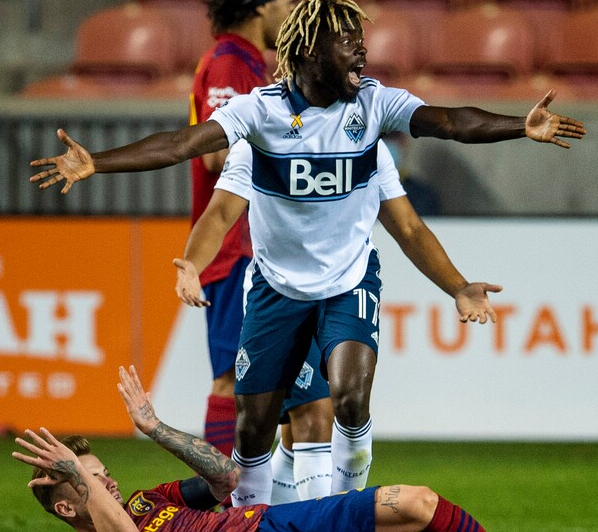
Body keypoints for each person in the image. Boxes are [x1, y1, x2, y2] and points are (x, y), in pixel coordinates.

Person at [29, 0, 587, 506]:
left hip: (348, 282)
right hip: (276, 289)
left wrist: (518, 128)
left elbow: (441, 132)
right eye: (348, 40)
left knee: (349, 397)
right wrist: (99, 164)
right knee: (253, 430)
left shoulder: (370, 109)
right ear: (310, 50)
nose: (362, 49)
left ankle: (346, 516)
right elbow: (187, 154)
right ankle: (248, 525)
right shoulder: (260, 119)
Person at [11, 365, 592, 532]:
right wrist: (88, 489)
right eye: (91, 479)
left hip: (269, 523)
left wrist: (155, 428)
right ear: (68, 503)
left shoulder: (146, 501)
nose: (108, 479)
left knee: (418, 501)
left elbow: (225, 478)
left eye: (102, 470)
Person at [174, 136, 500, 507]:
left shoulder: (365, 142)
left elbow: (408, 226)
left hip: (345, 287)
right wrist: (192, 264)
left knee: (328, 410)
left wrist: (457, 286)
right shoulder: (264, 133)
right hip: (281, 292)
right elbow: (216, 207)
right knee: (273, 423)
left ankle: (332, 524)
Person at [189, 0, 334, 503]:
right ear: (261, 6)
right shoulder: (229, 61)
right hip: (236, 250)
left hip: (268, 250)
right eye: (289, 3)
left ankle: (283, 515)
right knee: (235, 382)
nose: (293, 13)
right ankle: (222, 510)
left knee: (299, 397)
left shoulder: (254, 65)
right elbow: (213, 151)